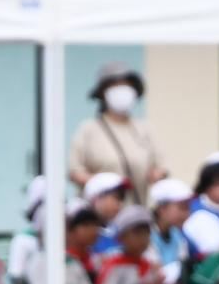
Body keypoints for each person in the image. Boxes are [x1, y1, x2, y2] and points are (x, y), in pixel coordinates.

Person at [70, 63, 165, 200]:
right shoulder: (88, 129)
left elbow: (160, 168)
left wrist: (156, 175)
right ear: (103, 92)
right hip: (98, 214)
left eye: (127, 85)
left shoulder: (144, 129)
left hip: (134, 212)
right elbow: (75, 172)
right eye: (116, 85)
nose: (122, 90)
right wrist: (105, 186)